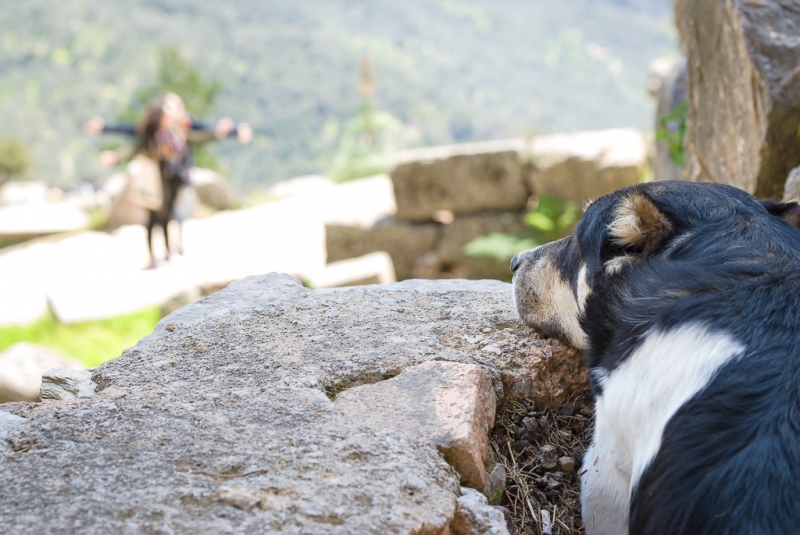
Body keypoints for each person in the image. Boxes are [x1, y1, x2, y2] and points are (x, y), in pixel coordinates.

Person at [83, 93, 252, 267]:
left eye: (177, 106)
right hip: (157, 181)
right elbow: (132, 133)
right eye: (170, 107)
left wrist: (235, 131)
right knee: (156, 217)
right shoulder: (155, 131)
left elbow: (207, 131)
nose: (175, 110)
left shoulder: (183, 127)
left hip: (178, 179)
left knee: (175, 215)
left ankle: (172, 250)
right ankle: (157, 256)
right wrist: (104, 129)